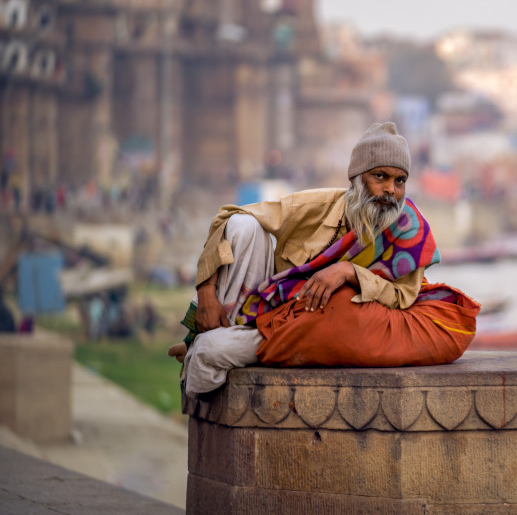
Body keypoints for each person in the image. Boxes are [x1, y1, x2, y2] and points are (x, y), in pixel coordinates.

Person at [169, 122, 478, 397]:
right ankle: (213, 331)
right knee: (243, 225)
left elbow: (403, 296)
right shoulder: (319, 205)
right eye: (380, 176)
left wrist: (348, 272)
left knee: (212, 351)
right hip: (269, 301)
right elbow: (227, 215)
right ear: (357, 178)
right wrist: (206, 292)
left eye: (399, 181)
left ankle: (203, 346)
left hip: (305, 325)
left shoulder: (408, 228)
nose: (390, 190)